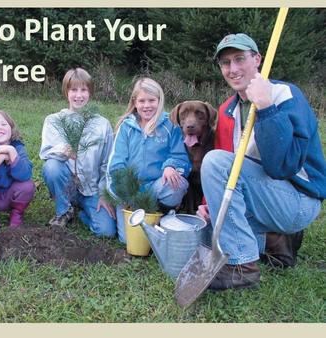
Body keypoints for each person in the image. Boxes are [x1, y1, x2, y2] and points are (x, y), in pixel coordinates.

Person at [197, 33, 325, 290]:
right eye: (225, 63)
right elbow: (228, 165)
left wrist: (266, 106)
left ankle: (243, 269)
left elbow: (282, 166)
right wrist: (209, 203)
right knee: (210, 233)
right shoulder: (228, 110)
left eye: (239, 59)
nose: (232, 69)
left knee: (214, 163)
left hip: (298, 199)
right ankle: (275, 242)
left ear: (257, 59)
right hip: (263, 196)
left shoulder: (284, 95)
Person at [107, 77, 191, 243]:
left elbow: (180, 156)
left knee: (177, 184)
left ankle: (164, 212)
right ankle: (140, 213)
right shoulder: (126, 127)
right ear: (135, 102)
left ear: (159, 101)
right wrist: (129, 192)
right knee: (127, 241)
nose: (147, 106)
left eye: (152, 100)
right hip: (131, 190)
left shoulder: (170, 124)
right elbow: (116, 164)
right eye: (142, 101)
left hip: (157, 186)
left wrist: (170, 166)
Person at [39, 67, 116, 237]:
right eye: (74, 90)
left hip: (92, 189)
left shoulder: (102, 125)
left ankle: (81, 212)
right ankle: (64, 210)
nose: (79, 95)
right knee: (52, 167)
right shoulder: (54, 121)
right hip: (67, 186)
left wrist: (104, 194)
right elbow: (46, 153)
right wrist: (63, 151)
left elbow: (107, 163)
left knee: (106, 232)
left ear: (90, 92)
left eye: (84, 90)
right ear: (66, 92)